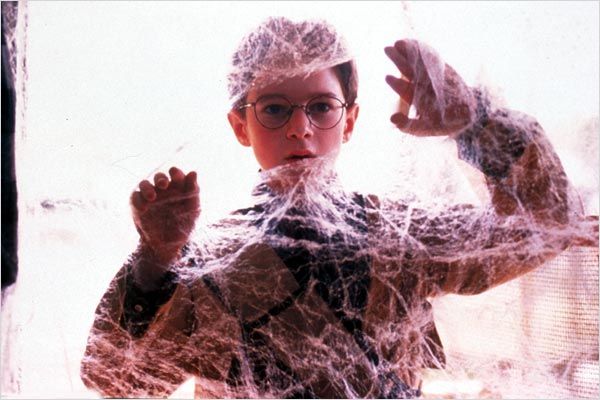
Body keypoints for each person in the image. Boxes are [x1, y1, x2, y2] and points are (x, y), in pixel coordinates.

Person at [80, 17, 597, 398]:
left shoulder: (398, 236)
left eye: (322, 107)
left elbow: (546, 223)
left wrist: (476, 122)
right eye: (274, 108)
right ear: (241, 125)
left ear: (349, 121)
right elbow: (111, 379)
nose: (299, 128)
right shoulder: (210, 264)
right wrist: (155, 257)